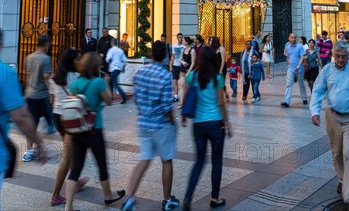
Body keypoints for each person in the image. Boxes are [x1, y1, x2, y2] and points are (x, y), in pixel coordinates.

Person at [121, 41, 179, 211]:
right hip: (161, 124)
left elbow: (136, 98)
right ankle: (167, 199)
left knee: (144, 160)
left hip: (144, 123)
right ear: (166, 56)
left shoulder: (141, 72)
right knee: (166, 161)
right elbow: (167, 106)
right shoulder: (165, 75)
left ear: (152, 54)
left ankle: (129, 197)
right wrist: (173, 121)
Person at [310, 41, 349, 211]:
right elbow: (318, 90)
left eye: (344, 56)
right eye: (338, 56)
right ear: (333, 55)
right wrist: (314, 111)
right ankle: (342, 180)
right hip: (332, 116)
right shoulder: (326, 70)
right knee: (337, 153)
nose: (341, 60)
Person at [65, 53, 125, 211]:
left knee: (76, 168)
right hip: (94, 130)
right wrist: (106, 83)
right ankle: (108, 196)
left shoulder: (75, 84)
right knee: (101, 165)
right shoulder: (98, 82)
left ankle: (68, 206)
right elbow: (109, 101)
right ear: (95, 67)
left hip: (77, 131)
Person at [181, 45, 232, 211]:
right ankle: (215, 198)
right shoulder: (217, 78)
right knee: (217, 161)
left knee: (199, 162)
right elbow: (220, 103)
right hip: (216, 124)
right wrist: (227, 123)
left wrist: (183, 116)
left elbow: (186, 98)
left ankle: (188, 197)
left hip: (198, 124)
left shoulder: (192, 76)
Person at [0, 29, 46, 197]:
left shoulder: (27, 59)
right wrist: (39, 143)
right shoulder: (5, 73)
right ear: (1, 45)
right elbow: (20, 116)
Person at [48, 48, 89, 206]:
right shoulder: (75, 77)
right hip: (69, 118)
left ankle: (75, 181)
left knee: (70, 153)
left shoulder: (55, 77)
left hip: (58, 115)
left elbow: (52, 99)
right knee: (66, 156)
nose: (80, 61)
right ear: (72, 61)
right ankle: (55, 195)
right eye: (78, 59)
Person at [23, 34, 54, 162]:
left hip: (30, 94)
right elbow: (46, 77)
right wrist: (51, 93)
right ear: (46, 44)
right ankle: (39, 149)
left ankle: (29, 151)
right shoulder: (46, 59)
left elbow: (27, 76)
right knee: (51, 123)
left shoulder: (28, 57)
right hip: (41, 96)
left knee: (32, 125)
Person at [281, 33, 307, 108]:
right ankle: (286, 101)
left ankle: (304, 98)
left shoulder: (300, 46)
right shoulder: (287, 45)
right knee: (288, 85)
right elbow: (286, 54)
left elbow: (302, 57)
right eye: (292, 37)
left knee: (301, 84)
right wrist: (288, 59)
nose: (294, 39)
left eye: (295, 37)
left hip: (300, 69)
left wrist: (298, 65)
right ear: (289, 38)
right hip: (290, 69)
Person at [105, 38, 128, 104]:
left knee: (114, 83)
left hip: (113, 68)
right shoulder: (120, 50)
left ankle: (124, 96)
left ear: (112, 43)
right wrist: (123, 67)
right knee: (111, 82)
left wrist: (109, 61)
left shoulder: (111, 50)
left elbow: (107, 59)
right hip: (119, 68)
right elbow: (125, 60)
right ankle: (111, 96)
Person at [178, 36, 196, 108]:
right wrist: (182, 62)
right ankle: (182, 103)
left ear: (187, 42)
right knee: (181, 85)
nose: (182, 41)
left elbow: (193, 63)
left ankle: (188, 103)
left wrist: (188, 72)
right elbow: (180, 59)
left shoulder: (192, 50)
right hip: (182, 69)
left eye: (183, 40)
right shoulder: (183, 49)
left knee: (188, 87)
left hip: (190, 70)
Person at [170, 33, 184, 102]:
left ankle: (182, 96)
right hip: (175, 65)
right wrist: (171, 66)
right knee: (174, 81)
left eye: (181, 37)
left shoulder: (184, 46)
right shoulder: (174, 46)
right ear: (177, 38)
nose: (180, 38)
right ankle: (175, 96)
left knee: (181, 82)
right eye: (179, 37)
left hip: (182, 65)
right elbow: (172, 56)